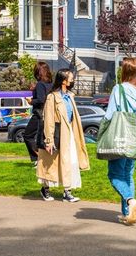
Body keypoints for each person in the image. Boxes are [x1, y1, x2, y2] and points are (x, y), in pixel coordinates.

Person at [105, 57, 136, 225]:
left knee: (114, 175)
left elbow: (110, 114)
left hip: (120, 137)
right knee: (128, 174)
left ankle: (130, 201)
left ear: (124, 71)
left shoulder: (118, 90)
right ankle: (128, 214)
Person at [37, 68, 89, 203]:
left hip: (69, 133)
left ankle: (67, 191)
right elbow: (48, 119)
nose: (73, 79)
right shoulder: (52, 97)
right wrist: (49, 140)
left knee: (70, 162)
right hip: (58, 134)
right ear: (64, 80)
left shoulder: (70, 96)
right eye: (70, 77)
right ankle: (45, 188)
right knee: (51, 163)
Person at [23, 61, 53, 165]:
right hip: (49, 113)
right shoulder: (50, 84)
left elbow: (40, 99)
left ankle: (37, 158)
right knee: (43, 137)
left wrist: (31, 101)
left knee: (28, 135)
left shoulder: (40, 84)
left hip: (39, 113)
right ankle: (43, 158)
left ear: (38, 72)